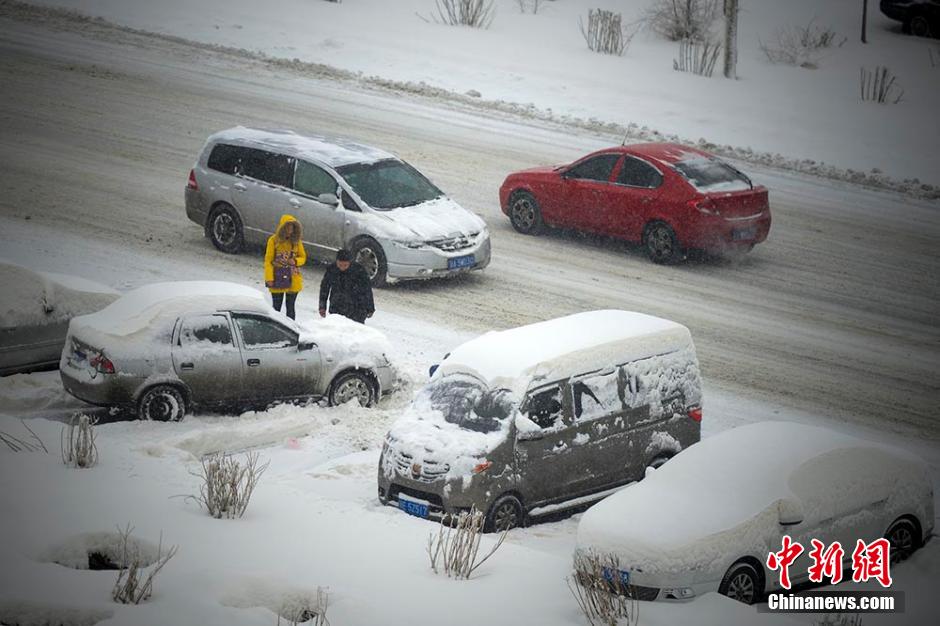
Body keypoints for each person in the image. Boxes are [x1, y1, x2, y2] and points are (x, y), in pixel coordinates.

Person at [264, 214, 306, 320]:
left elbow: (303, 257)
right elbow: (268, 261)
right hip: (277, 276)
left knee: (290, 307)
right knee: (276, 307)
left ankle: (290, 328)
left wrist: (295, 261)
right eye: (288, 227)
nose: (290, 230)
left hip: (293, 278)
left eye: (292, 227)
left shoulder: (297, 242)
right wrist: (269, 278)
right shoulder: (273, 241)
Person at [319, 249, 374, 323]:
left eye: (345, 265)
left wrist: (370, 307)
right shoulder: (332, 270)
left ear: (350, 262)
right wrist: (322, 306)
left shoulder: (359, 271)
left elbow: (367, 289)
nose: (342, 268)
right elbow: (324, 288)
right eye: (340, 265)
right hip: (337, 306)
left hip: (357, 308)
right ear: (336, 262)